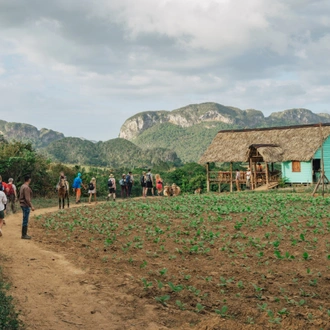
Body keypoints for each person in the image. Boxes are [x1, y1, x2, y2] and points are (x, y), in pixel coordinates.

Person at [19, 175, 35, 239]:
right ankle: (24, 234)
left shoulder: (22, 186)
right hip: (25, 205)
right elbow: (27, 199)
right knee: (25, 219)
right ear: (29, 180)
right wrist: (31, 206)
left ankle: (24, 234)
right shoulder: (26, 188)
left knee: (25, 219)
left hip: (22, 204)